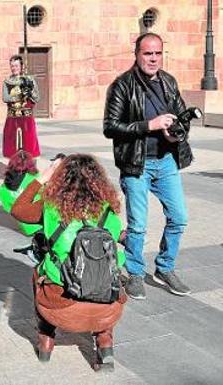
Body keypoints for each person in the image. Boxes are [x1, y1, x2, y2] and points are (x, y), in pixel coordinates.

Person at [11, 154, 126, 370]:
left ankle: (46, 340)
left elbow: (18, 210)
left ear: (60, 178)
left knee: (39, 273)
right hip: (108, 311)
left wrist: (40, 179)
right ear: (98, 181)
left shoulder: (49, 207)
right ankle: (105, 342)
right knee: (106, 278)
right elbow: (119, 237)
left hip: (60, 310)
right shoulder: (108, 209)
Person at [103, 32, 193, 300]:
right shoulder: (122, 85)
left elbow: (182, 118)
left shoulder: (168, 82)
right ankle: (134, 273)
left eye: (157, 53)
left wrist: (175, 132)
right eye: (148, 53)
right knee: (138, 225)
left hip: (166, 162)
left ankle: (165, 268)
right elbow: (110, 127)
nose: (153, 58)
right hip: (136, 164)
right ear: (137, 54)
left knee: (179, 217)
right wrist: (149, 126)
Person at [1, 55, 41, 159]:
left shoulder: (29, 80)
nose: (14, 68)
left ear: (21, 66)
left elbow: (37, 98)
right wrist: (20, 95)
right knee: (12, 145)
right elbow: (5, 98)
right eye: (12, 66)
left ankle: (29, 168)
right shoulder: (7, 82)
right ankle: (14, 168)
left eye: (16, 65)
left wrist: (30, 91)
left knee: (29, 144)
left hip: (26, 117)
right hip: (12, 117)